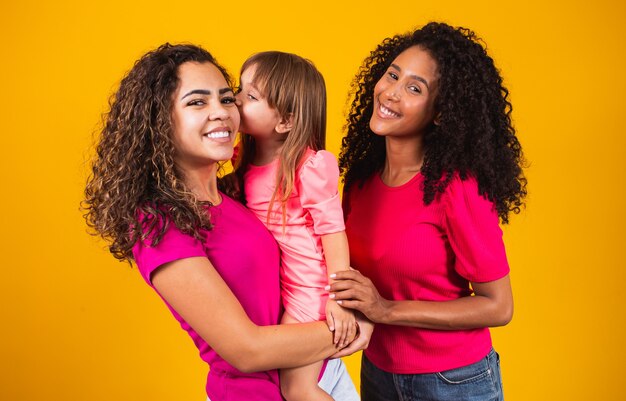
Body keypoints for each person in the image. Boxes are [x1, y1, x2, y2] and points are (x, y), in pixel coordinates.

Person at [82, 43, 370, 401]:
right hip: (259, 391)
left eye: (226, 98)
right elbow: (246, 350)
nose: (221, 112)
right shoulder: (158, 224)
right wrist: (359, 324)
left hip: (322, 369)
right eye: (197, 102)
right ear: (159, 121)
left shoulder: (235, 192)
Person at [329, 22, 527, 401]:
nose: (391, 93)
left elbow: (499, 307)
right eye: (393, 75)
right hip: (377, 371)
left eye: (414, 88)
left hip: (453, 381)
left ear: (440, 113)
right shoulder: (361, 180)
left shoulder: (456, 188)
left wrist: (387, 310)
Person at [232, 51, 357, 401]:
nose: (237, 100)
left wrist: (338, 298)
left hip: (311, 291)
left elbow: (333, 231)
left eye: (251, 97)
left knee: (296, 388)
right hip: (286, 288)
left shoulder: (308, 166)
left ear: (285, 121)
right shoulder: (244, 154)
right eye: (239, 90)